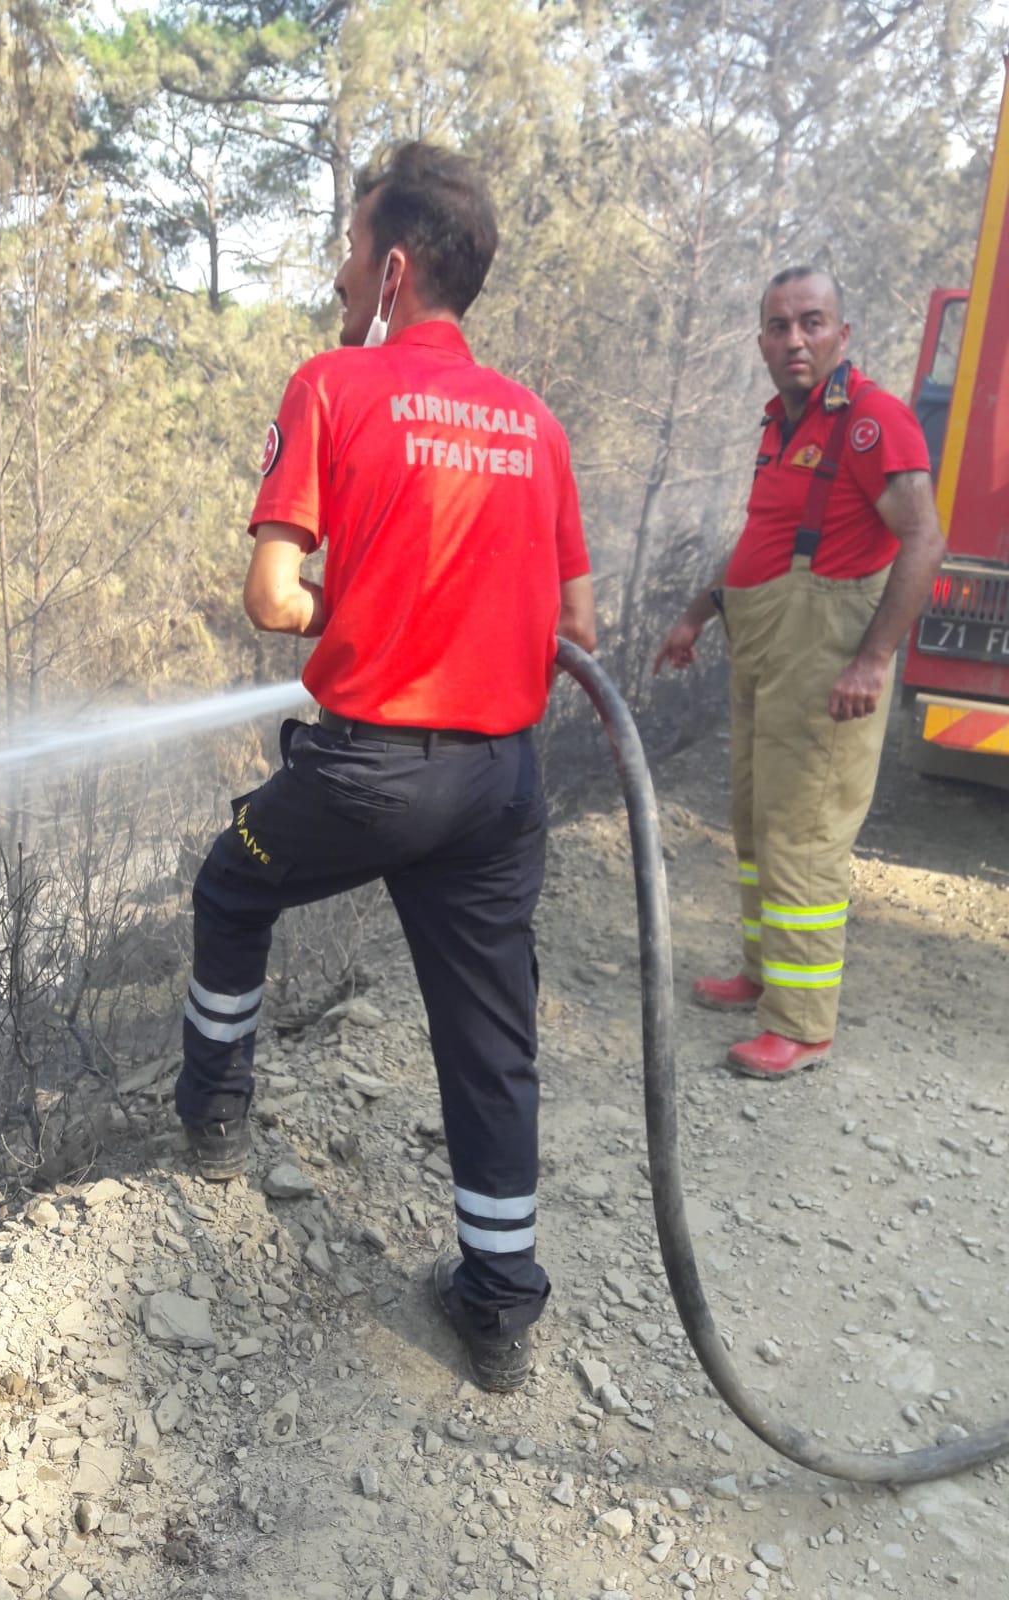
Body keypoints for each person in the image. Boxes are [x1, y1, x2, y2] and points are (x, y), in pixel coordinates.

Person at [175, 142, 595, 1391]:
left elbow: (268, 595)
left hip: (370, 776)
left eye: (352, 248)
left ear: (395, 267)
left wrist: (359, 599)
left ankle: (210, 1117)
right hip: (501, 789)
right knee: (487, 1036)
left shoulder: (332, 386)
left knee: (230, 882)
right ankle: (502, 1303)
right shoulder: (536, 422)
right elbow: (579, 632)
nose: (341, 267)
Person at [654, 266, 944, 1080]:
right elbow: (764, 541)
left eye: (812, 323)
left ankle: (803, 1022)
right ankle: (764, 973)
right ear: (761, 343)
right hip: (767, 644)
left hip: (825, 651)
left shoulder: (872, 423)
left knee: (805, 834)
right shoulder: (781, 427)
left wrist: (874, 658)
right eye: (779, 327)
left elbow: (924, 542)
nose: (794, 340)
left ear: (842, 334)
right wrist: (698, 612)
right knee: (756, 821)